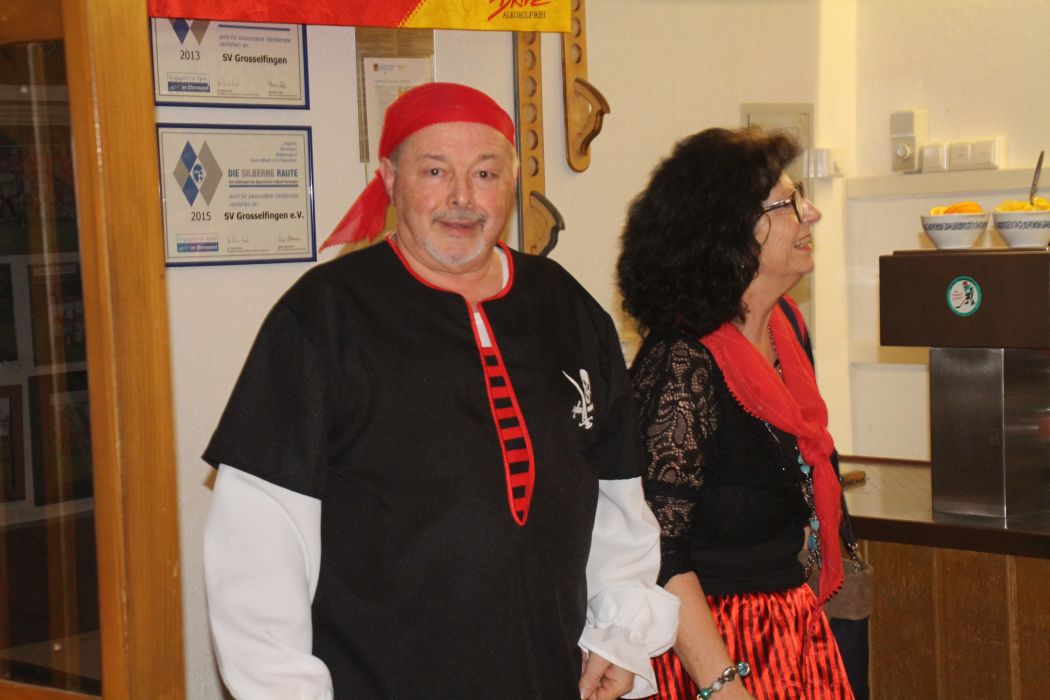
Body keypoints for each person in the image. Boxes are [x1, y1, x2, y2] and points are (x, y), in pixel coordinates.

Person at [202, 82, 679, 700]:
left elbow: (616, 495)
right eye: (435, 171)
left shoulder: (566, 306)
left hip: (549, 678)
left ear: (512, 181)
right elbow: (258, 547)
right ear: (388, 179)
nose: (462, 198)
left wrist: (617, 632)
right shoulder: (323, 318)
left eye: (485, 173)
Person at [616, 127, 854, 700]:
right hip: (711, 651)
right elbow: (658, 551)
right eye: (788, 203)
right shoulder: (682, 363)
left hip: (792, 631)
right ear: (728, 231)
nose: (812, 213)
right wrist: (724, 684)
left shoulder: (786, 328)